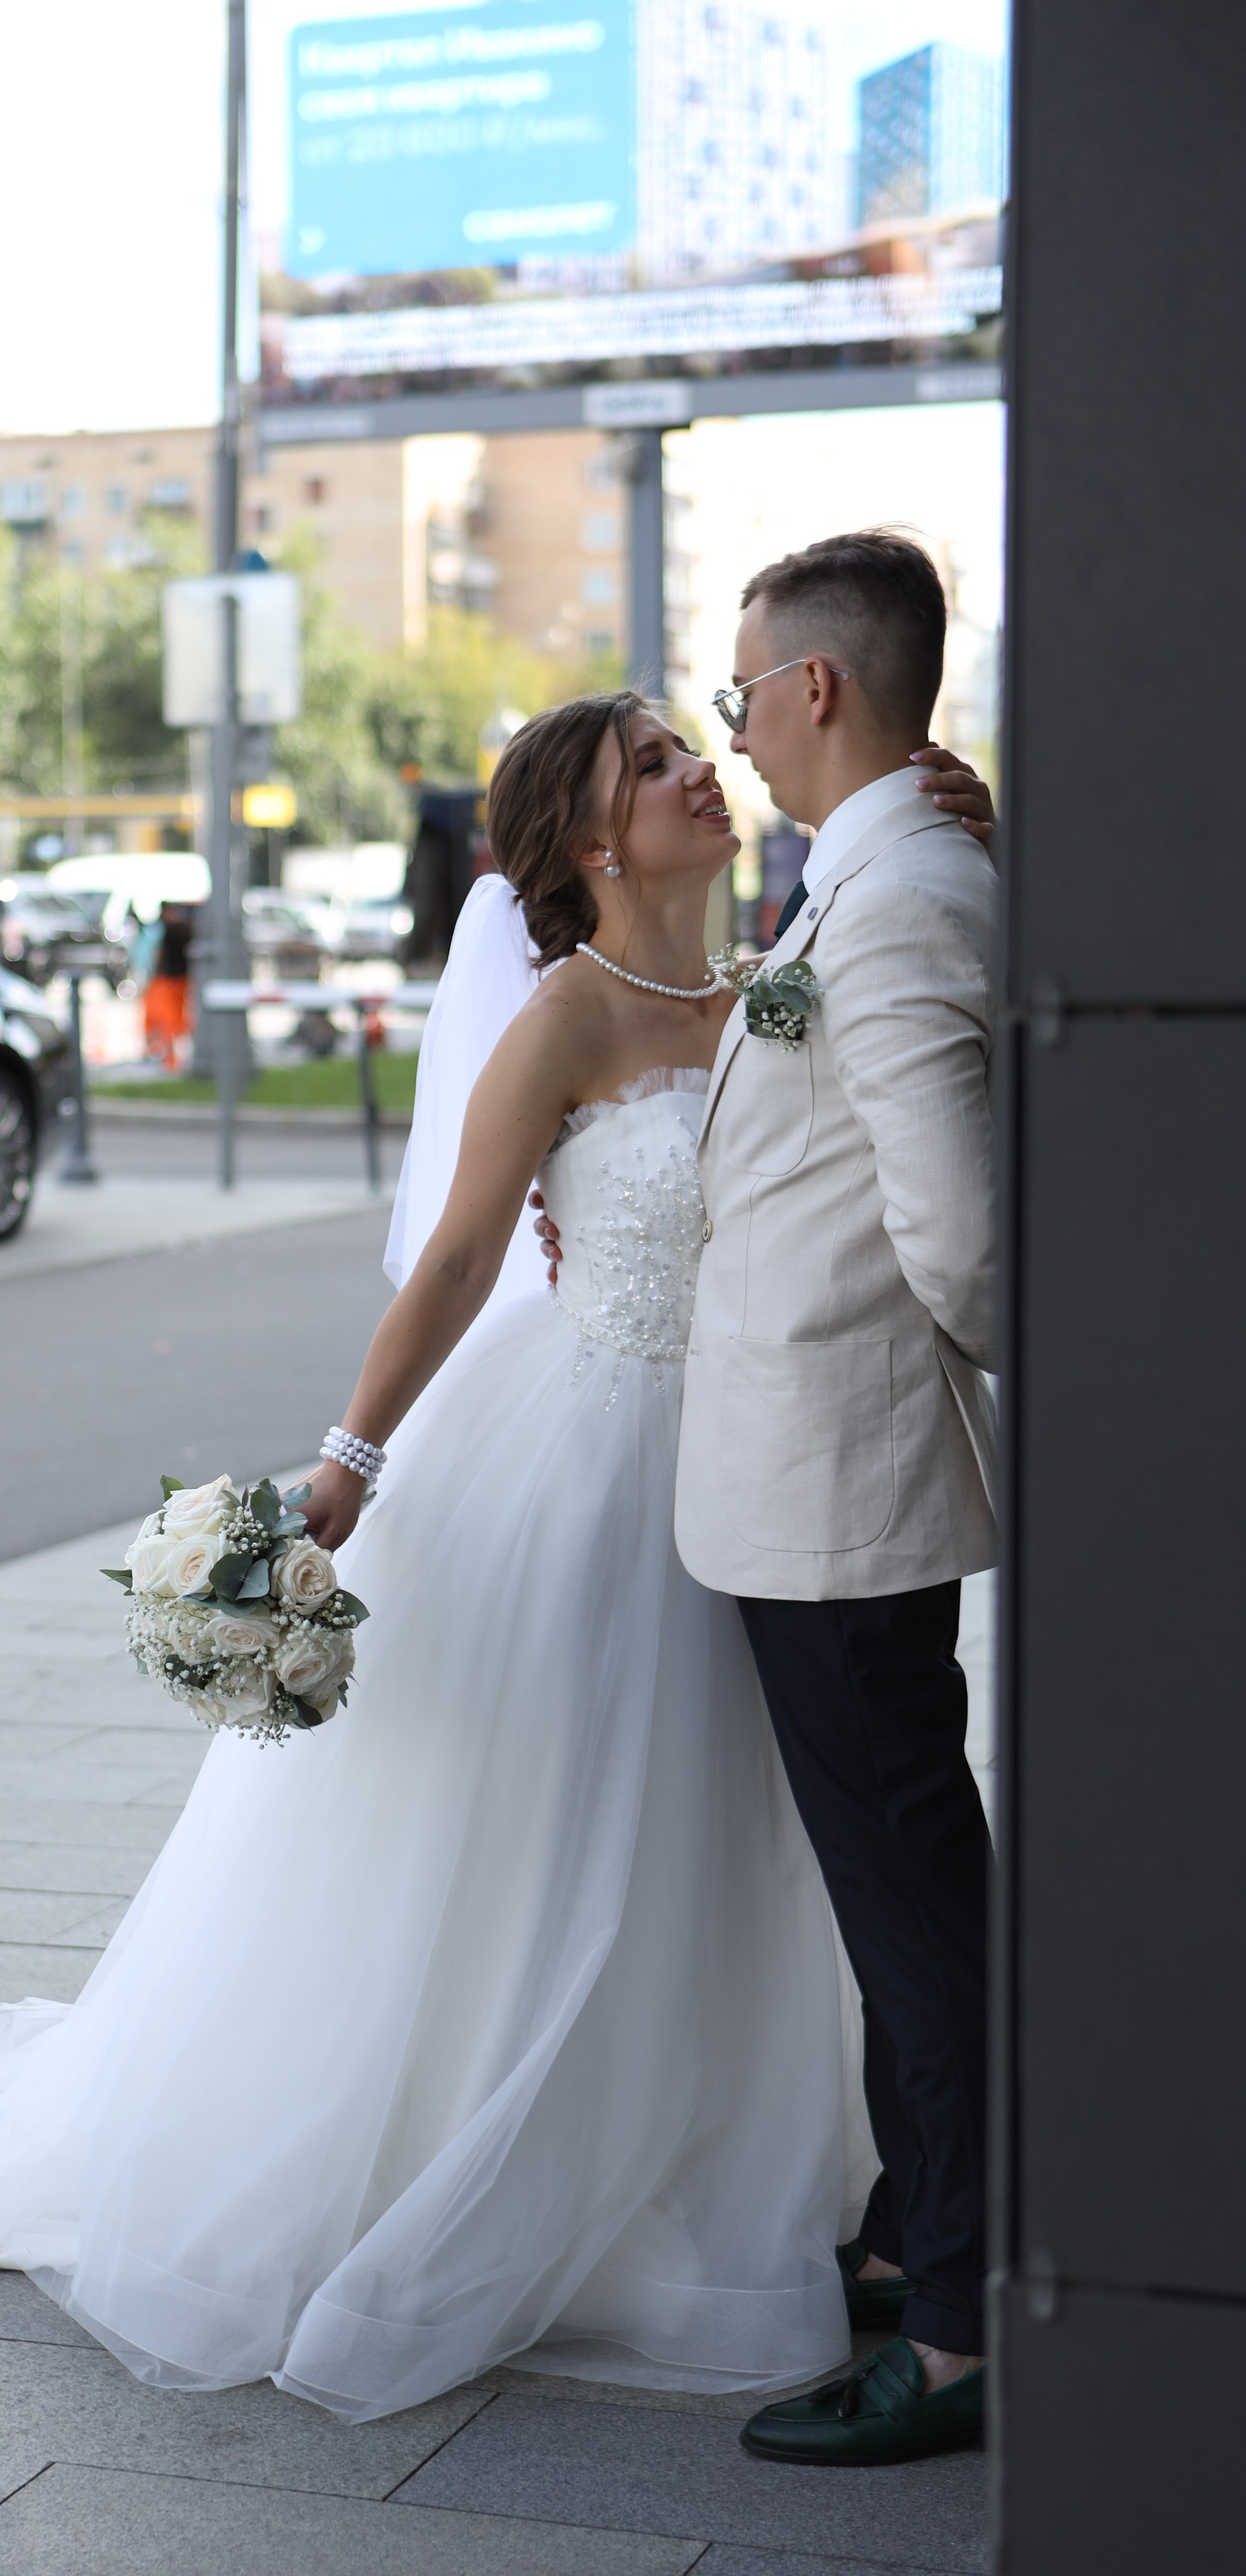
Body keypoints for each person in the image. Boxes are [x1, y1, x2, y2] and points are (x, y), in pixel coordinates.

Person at [0, 690, 878, 2420]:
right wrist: (350, 1463)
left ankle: (711, 2157)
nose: (701, 768)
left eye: (696, 742)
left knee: (721, 1816)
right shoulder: (562, 1016)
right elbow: (460, 1258)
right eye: (654, 763)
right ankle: (504, 2159)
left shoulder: (779, 979)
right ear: (595, 840)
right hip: (590, 1455)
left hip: (749, 1459)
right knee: (572, 1818)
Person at [538, 531, 998, 2467]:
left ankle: (969, 2325)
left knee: (910, 1908)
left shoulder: (893, 898)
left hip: (842, 1486)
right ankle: (924, 2229)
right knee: (901, 1885)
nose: (727, 734)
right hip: (808, 1485)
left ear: (816, 689)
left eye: (734, 697)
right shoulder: (878, 868)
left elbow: (963, 1238)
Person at [141, 900, 194, 1070]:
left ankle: (167, 1057)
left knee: (166, 1019)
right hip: (181, 980)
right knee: (176, 1019)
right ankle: (170, 1055)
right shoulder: (185, 928)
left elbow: (159, 955)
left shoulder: (166, 930)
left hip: (167, 981)